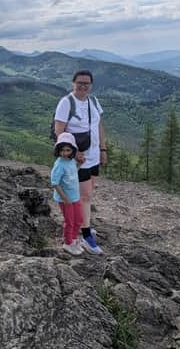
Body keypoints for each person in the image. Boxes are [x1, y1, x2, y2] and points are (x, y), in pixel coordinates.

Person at [54, 69, 106, 255]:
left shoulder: (93, 101)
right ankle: (85, 236)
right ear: (73, 83)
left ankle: (84, 225)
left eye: (87, 83)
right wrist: (73, 154)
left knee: (88, 194)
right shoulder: (66, 103)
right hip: (78, 159)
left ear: (91, 85)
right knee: (84, 196)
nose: (83, 86)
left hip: (92, 156)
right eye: (80, 83)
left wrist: (102, 150)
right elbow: (59, 130)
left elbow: (99, 125)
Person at [50, 132, 83, 255]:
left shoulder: (70, 161)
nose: (65, 153)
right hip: (66, 199)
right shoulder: (59, 165)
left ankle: (73, 240)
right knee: (69, 221)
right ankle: (68, 243)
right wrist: (65, 199)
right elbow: (55, 183)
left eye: (68, 150)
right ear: (58, 150)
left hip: (75, 197)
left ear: (73, 150)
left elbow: (72, 174)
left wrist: (79, 165)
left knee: (78, 220)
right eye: (62, 150)